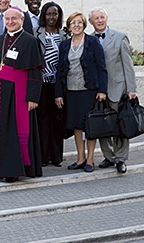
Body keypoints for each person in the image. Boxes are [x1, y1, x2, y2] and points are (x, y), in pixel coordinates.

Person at [0, 7, 43, 183]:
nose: (10, 22)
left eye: (14, 18)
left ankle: (13, 169)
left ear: (22, 20)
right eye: (7, 19)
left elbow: (35, 72)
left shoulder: (30, 41)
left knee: (14, 129)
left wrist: (33, 97)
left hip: (18, 91)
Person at [55, 12, 108, 173]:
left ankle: (90, 159)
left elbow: (101, 68)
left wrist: (102, 90)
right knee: (76, 126)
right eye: (73, 23)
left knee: (89, 125)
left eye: (79, 22)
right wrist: (58, 93)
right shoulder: (65, 45)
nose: (76, 25)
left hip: (88, 91)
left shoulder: (92, 42)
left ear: (84, 25)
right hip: (71, 92)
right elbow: (60, 70)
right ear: (69, 26)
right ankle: (80, 158)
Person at [89, 7, 136, 174]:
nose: (100, 20)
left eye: (102, 17)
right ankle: (108, 156)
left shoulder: (119, 37)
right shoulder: (88, 39)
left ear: (106, 19)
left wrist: (131, 89)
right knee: (102, 125)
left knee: (120, 125)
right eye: (96, 18)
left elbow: (127, 65)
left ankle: (121, 159)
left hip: (117, 88)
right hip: (98, 91)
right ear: (91, 22)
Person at [34, 2, 66, 167]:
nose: (52, 17)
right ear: (43, 15)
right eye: (49, 14)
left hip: (58, 84)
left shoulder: (64, 35)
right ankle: (44, 156)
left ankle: (57, 156)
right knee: (43, 119)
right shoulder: (36, 33)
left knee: (57, 119)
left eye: (55, 14)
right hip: (42, 83)